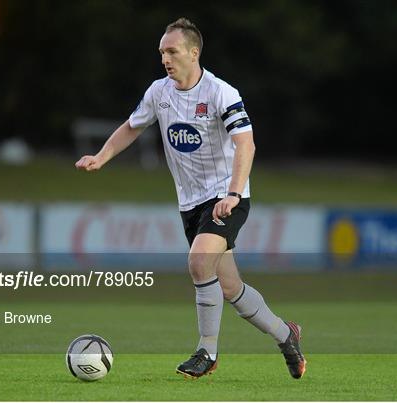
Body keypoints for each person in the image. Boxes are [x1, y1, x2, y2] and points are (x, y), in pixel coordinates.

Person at [75, 17, 306, 380]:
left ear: (193, 52)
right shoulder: (159, 93)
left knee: (199, 262)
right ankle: (286, 335)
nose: (165, 58)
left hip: (226, 197)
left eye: (172, 51)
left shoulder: (221, 93)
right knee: (231, 288)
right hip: (191, 203)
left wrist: (233, 192)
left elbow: (245, 143)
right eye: (162, 52)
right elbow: (132, 126)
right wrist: (101, 157)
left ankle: (206, 352)